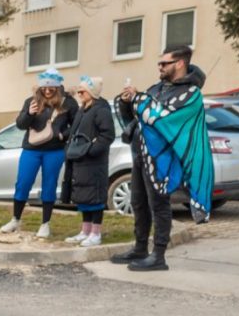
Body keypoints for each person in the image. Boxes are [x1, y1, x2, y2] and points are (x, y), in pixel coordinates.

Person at [112, 44, 211, 271]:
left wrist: (140, 99)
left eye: (164, 63)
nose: (160, 66)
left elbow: (163, 118)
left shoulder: (191, 94)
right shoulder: (157, 88)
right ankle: (139, 248)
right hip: (141, 154)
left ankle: (158, 255)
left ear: (180, 63)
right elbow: (138, 118)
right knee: (138, 202)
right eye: (159, 63)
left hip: (163, 159)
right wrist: (128, 102)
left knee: (159, 204)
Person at [1, 69, 78, 237]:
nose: (48, 91)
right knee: (23, 183)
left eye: (52, 89)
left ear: (58, 88)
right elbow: (21, 125)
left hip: (54, 151)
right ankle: (15, 219)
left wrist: (62, 135)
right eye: (44, 88)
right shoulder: (31, 101)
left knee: (49, 185)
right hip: (31, 150)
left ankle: (45, 224)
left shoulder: (68, 103)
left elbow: (76, 126)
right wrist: (29, 113)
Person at [60, 76, 115, 247]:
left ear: (92, 92)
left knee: (95, 198)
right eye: (78, 91)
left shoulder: (101, 110)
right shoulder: (83, 110)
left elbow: (107, 135)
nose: (79, 94)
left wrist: (90, 151)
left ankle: (95, 234)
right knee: (84, 197)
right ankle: (85, 231)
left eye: (82, 91)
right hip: (80, 160)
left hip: (94, 162)